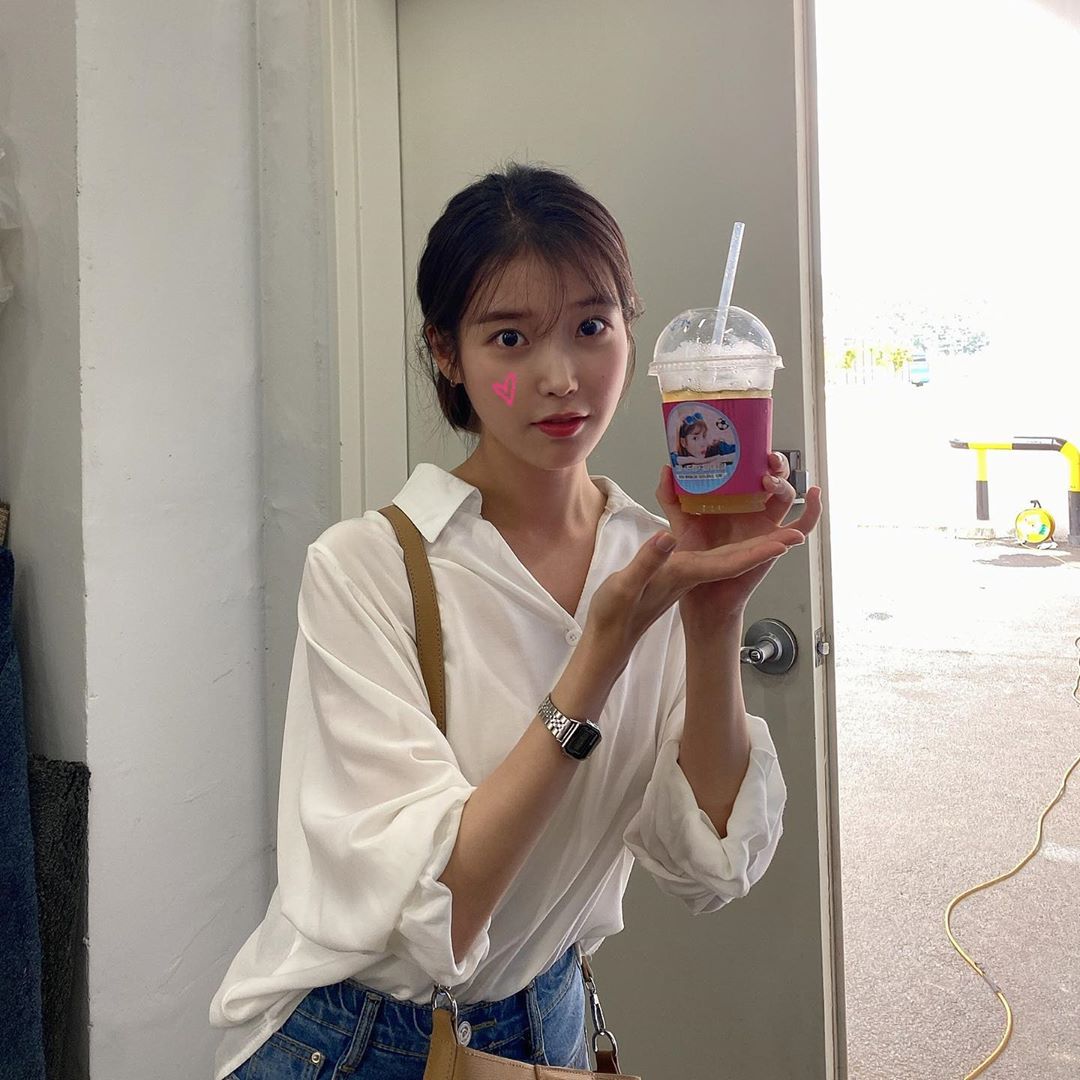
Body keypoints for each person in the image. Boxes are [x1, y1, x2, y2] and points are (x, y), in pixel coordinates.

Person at [208, 162, 823, 1079]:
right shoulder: (368, 569)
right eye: (509, 338)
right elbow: (444, 916)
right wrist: (599, 654)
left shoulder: (650, 558)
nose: (561, 377)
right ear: (447, 354)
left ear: (632, 331)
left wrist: (712, 620)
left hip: (552, 1021)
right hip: (362, 1042)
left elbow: (707, 870)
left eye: (591, 327)